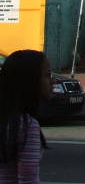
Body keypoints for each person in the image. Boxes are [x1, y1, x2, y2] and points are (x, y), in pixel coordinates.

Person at [0, 50, 51, 184]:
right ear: (30, 81)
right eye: (47, 75)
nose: (53, 80)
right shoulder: (27, 125)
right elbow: (28, 179)